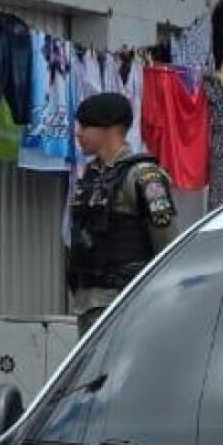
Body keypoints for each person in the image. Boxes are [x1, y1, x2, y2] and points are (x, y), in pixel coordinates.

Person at [65, 90, 176, 328]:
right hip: (89, 302)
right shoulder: (92, 175)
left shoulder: (143, 176)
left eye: (86, 126)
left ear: (109, 129)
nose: (78, 133)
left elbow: (167, 245)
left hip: (127, 304)